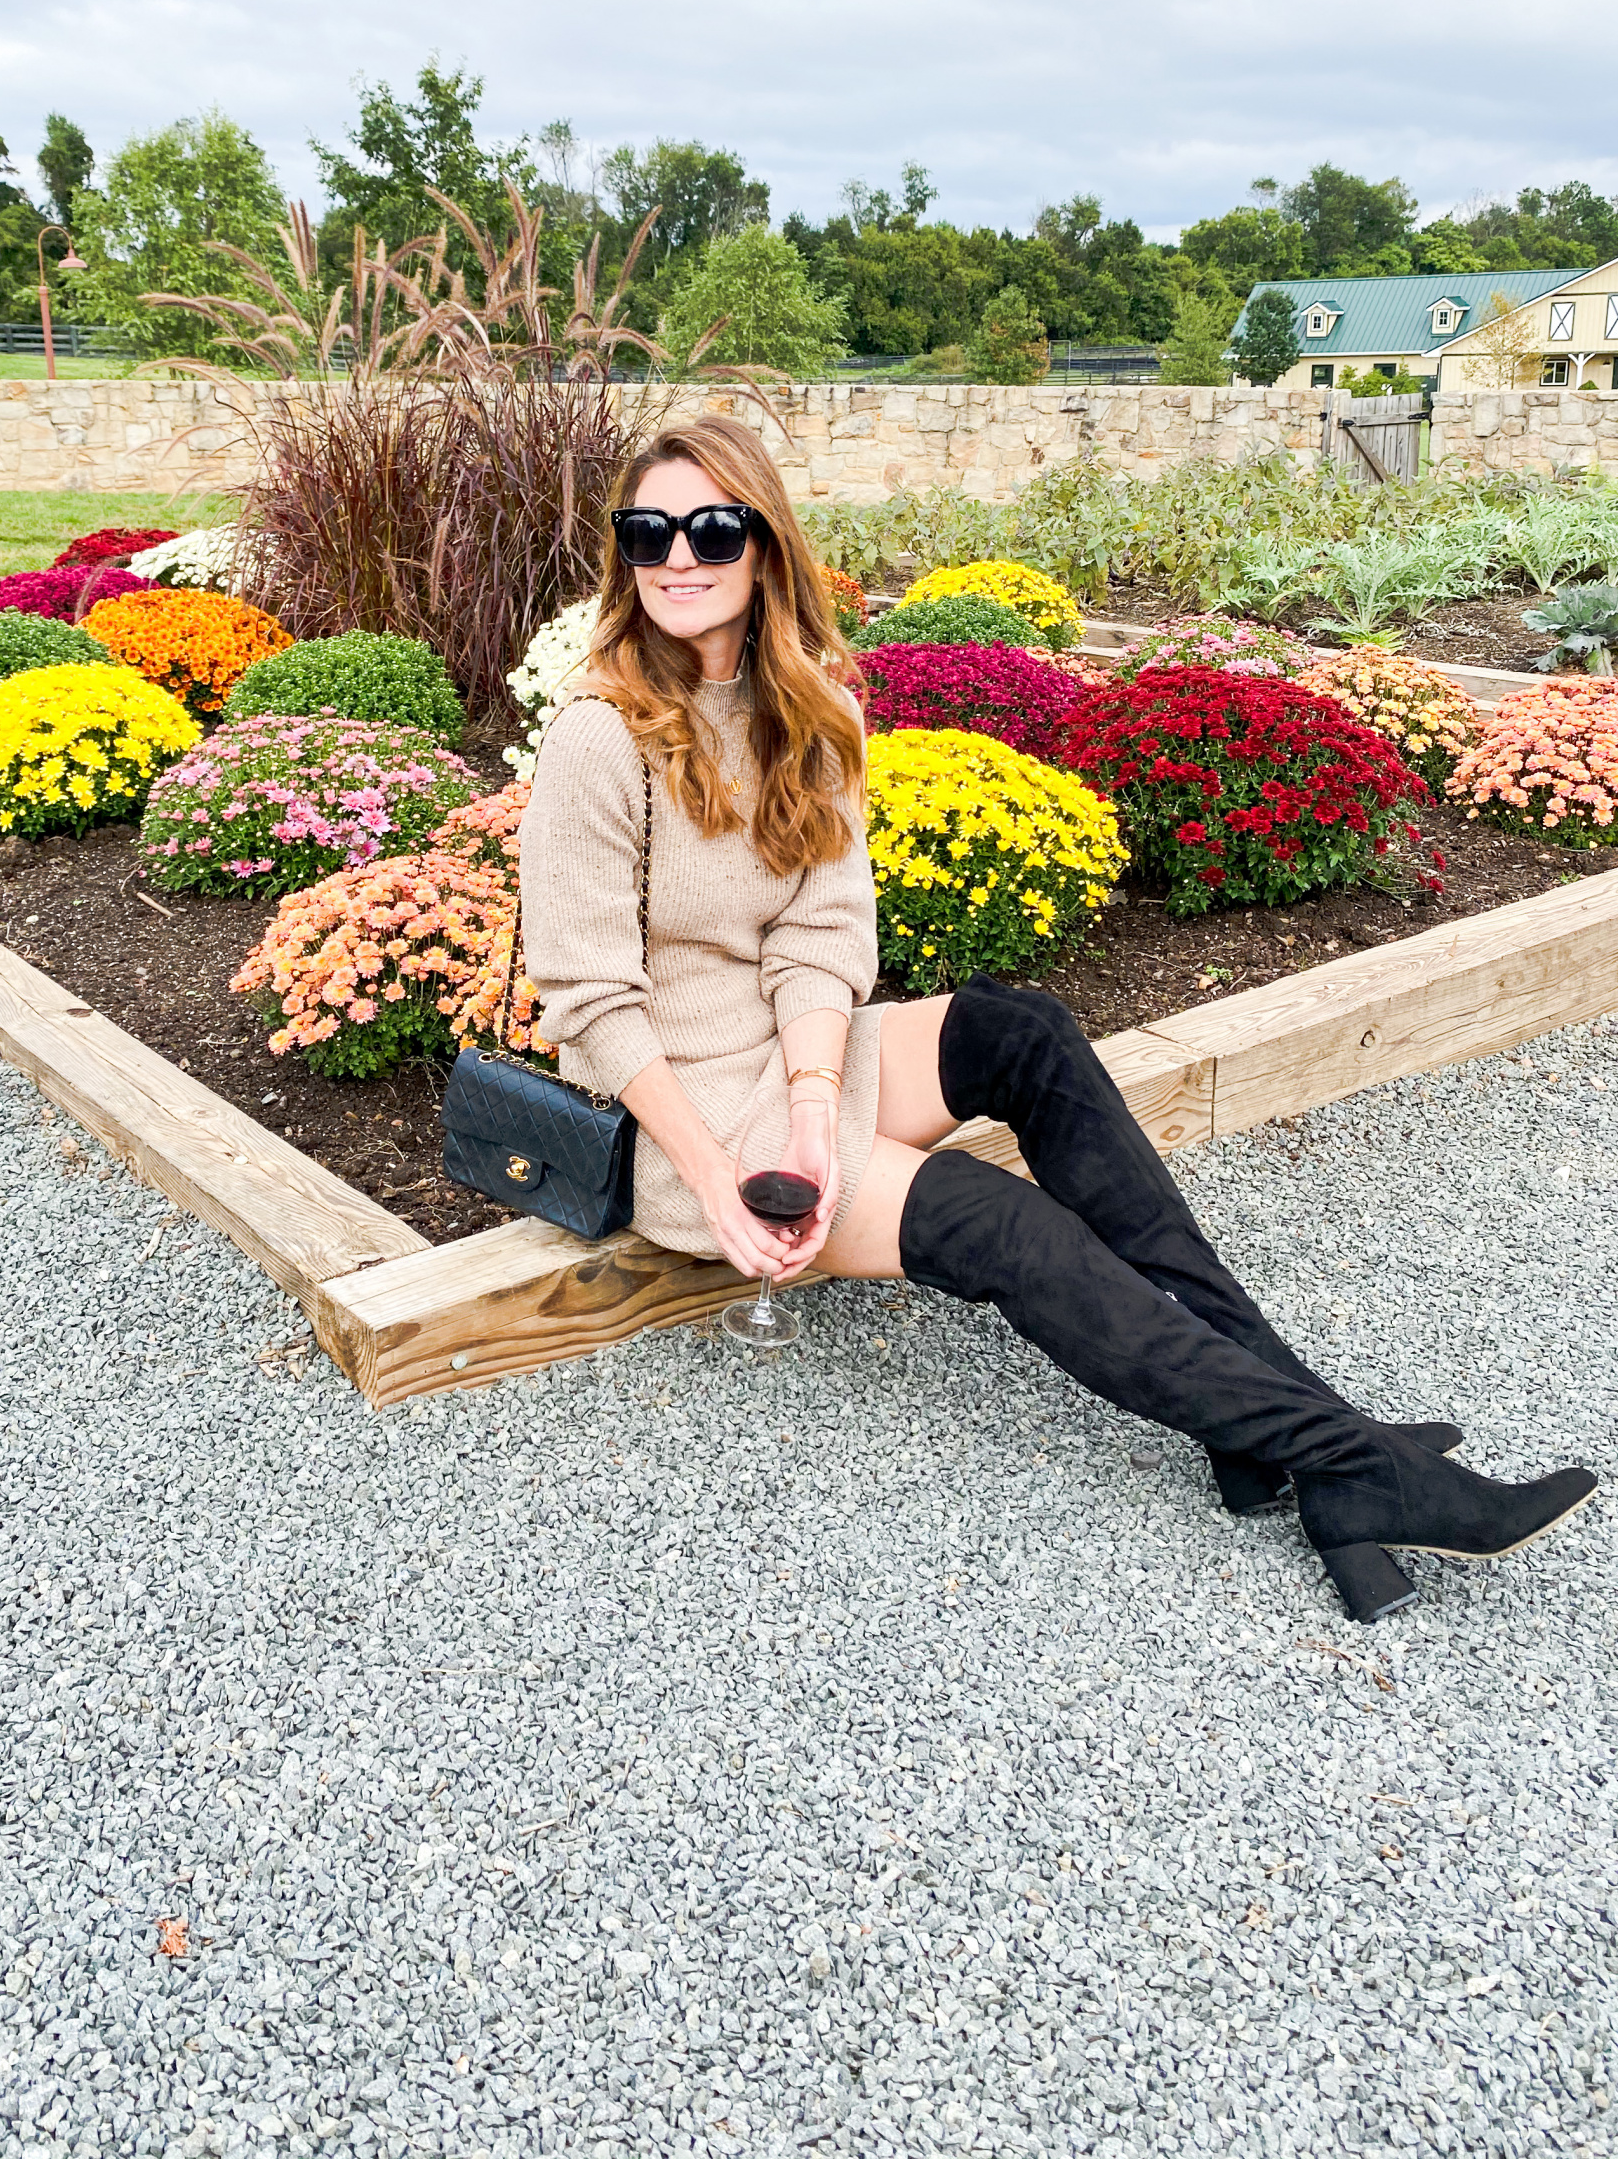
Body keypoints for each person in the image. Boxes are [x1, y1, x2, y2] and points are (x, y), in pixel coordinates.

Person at [517, 414, 1597, 1623]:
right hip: (689, 1111)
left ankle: (1285, 1436)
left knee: (1021, 1031)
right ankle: (1354, 1465)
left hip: (790, 1061)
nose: (678, 556)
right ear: (623, 552)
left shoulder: (813, 715)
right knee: (1003, 1226)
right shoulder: (597, 736)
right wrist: (724, 1179)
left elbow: (823, 938)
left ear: (764, 546)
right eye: (647, 530)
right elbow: (592, 1000)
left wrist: (818, 1105)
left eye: (711, 527)